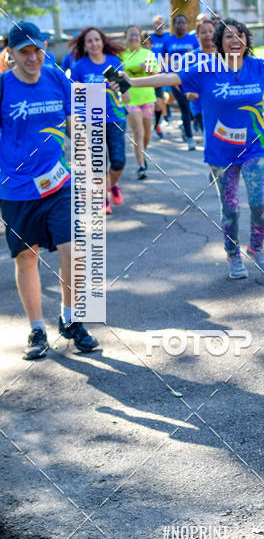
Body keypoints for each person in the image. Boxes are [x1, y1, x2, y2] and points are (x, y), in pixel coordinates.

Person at [118, 18, 264, 279]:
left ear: (247, 40)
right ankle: (233, 254)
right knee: (231, 208)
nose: (235, 40)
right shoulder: (206, 68)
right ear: (219, 42)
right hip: (221, 151)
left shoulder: (258, 67)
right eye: (228, 36)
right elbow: (171, 77)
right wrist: (131, 82)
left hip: (254, 146)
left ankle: (257, 248)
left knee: (260, 203)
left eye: (240, 35)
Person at [0, 21, 98, 359]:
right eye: (24, 51)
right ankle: (37, 329)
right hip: (16, 190)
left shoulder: (56, 78)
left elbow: (75, 124)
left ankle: (70, 319)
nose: (33, 57)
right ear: (10, 53)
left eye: (37, 50)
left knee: (74, 250)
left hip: (58, 182)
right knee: (27, 257)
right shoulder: (4, 87)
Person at [69, 26, 127, 215]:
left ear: (102, 42)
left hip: (115, 118)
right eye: (89, 41)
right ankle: (103, 198)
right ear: (84, 46)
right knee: (97, 163)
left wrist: (121, 86)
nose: (94, 44)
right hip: (91, 120)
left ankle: (112, 184)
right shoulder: (79, 67)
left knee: (118, 161)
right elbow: (74, 96)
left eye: (97, 40)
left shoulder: (113, 62)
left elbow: (125, 95)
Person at [121, 25, 157, 180]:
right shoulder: (120, 55)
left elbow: (156, 76)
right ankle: (141, 166)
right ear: (125, 37)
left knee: (147, 134)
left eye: (136, 35)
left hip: (148, 97)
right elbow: (115, 76)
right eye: (131, 35)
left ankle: (141, 153)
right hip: (130, 99)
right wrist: (123, 89)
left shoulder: (148, 54)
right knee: (138, 132)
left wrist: (148, 69)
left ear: (140, 37)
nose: (134, 37)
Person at [161, 13, 200, 150]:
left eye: (183, 22)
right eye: (178, 23)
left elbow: (200, 56)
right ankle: (190, 138)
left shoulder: (193, 40)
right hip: (176, 80)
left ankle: (185, 125)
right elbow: (163, 60)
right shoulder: (168, 41)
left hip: (192, 79)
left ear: (187, 25)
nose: (181, 25)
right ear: (174, 25)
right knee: (184, 106)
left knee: (192, 107)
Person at [149, 15, 169, 138]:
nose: (160, 25)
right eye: (157, 23)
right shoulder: (149, 38)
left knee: (160, 101)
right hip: (146, 74)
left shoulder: (169, 38)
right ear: (153, 25)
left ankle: (158, 123)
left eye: (162, 23)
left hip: (162, 74)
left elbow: (170, 54)